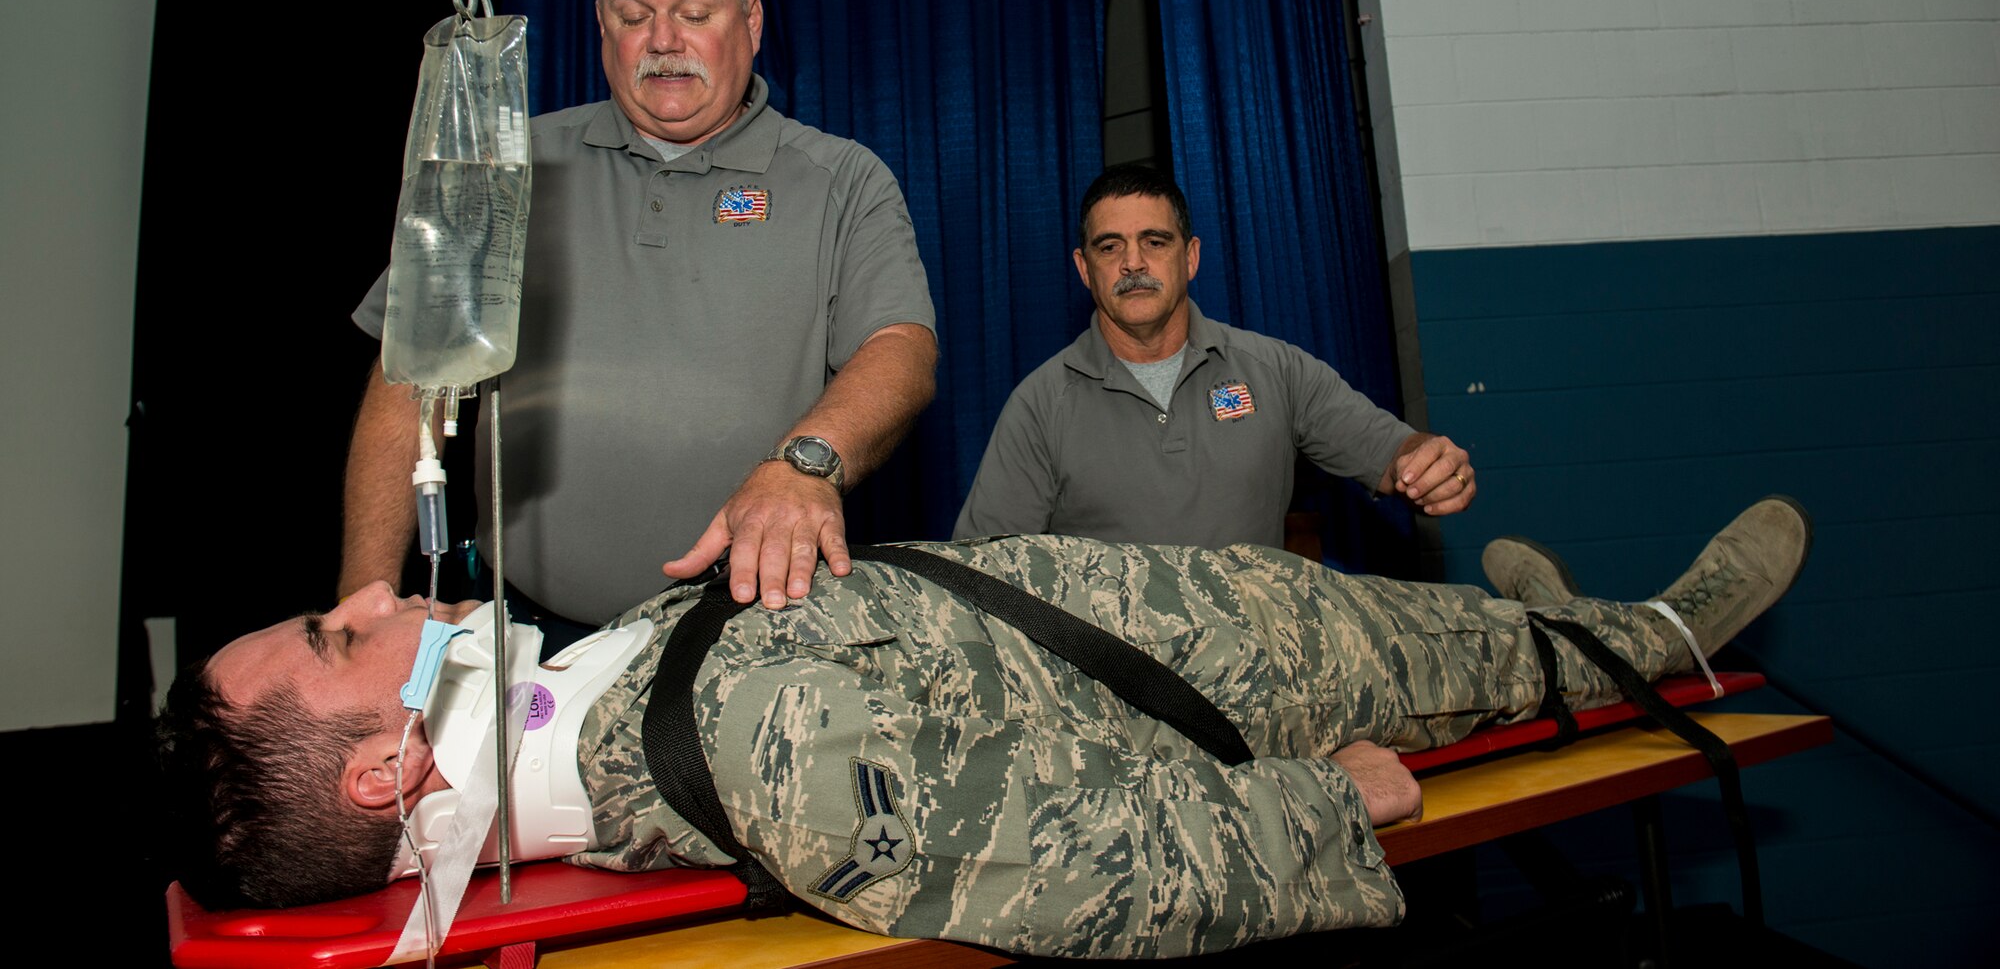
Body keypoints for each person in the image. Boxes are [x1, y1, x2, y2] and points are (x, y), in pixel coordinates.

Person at [158, 498, 1812, 958]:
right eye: (331, 634)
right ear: (395, 768)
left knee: (1464, 627)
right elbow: (1090, 871)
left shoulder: (577, 706)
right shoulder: (759, 759)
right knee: (1441, 655)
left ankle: (1571, 622)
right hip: (1231, 680)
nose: (363, 598)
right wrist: (1325, 811)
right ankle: (1658, 632)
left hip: (1121, 613)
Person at [344, 0, 938, 624]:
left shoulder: (844, 179)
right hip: (531, 631)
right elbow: (408, 379)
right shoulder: (510, 164)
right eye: (633, 14)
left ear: (750, 20)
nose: (663, 41)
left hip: (756, 634)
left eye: (694, 11)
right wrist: (364, 601)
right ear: (602, 25)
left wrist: (804, 463)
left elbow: (900, 350)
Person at [953, 165, 1472, 548]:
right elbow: (981, 571)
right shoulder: (1041, 406)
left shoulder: (1277, 371)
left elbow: (1395, 453)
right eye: (1109, 247)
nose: (1133, 262)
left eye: (1154, 241)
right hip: (1113, 686)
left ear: (1191, 256)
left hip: (1259, 677)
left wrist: (1432, 463)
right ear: (1085, 269)